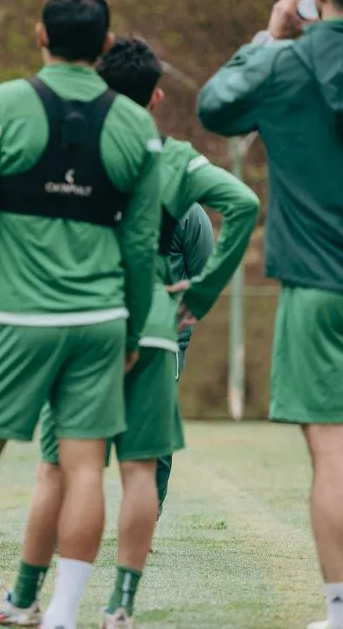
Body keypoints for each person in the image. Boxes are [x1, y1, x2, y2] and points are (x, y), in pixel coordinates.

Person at [0, 36, 260, 629]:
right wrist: (198, 295)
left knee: (58, 469)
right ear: (155, 96)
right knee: (141, 469)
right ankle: (120, 607)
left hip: (88, 320)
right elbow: (244, 203)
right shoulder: (169, 154)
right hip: (151, 324)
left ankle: (25, 599)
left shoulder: (71, 146)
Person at [0, 0, 164, 629]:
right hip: (99, 323)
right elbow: (140, 241)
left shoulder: (2, 106)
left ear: (39, 36)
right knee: (81, 472)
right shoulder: (137, 127)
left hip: (18, 321)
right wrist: (130, 322)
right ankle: (65, 617)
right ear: (103, 47)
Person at [198, 0, 343, 627]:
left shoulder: (284, 63)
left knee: (337, 455)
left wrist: (270, 36)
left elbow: (215, 105)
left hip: (317, 289)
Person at [155, 203, 214, 515]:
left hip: (166, 339)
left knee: (156, 431)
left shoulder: (190, 212)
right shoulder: (112, 184)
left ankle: (147, 514)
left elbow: (207, 272)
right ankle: (75, 513)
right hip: (109, 331)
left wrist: (187, 311)